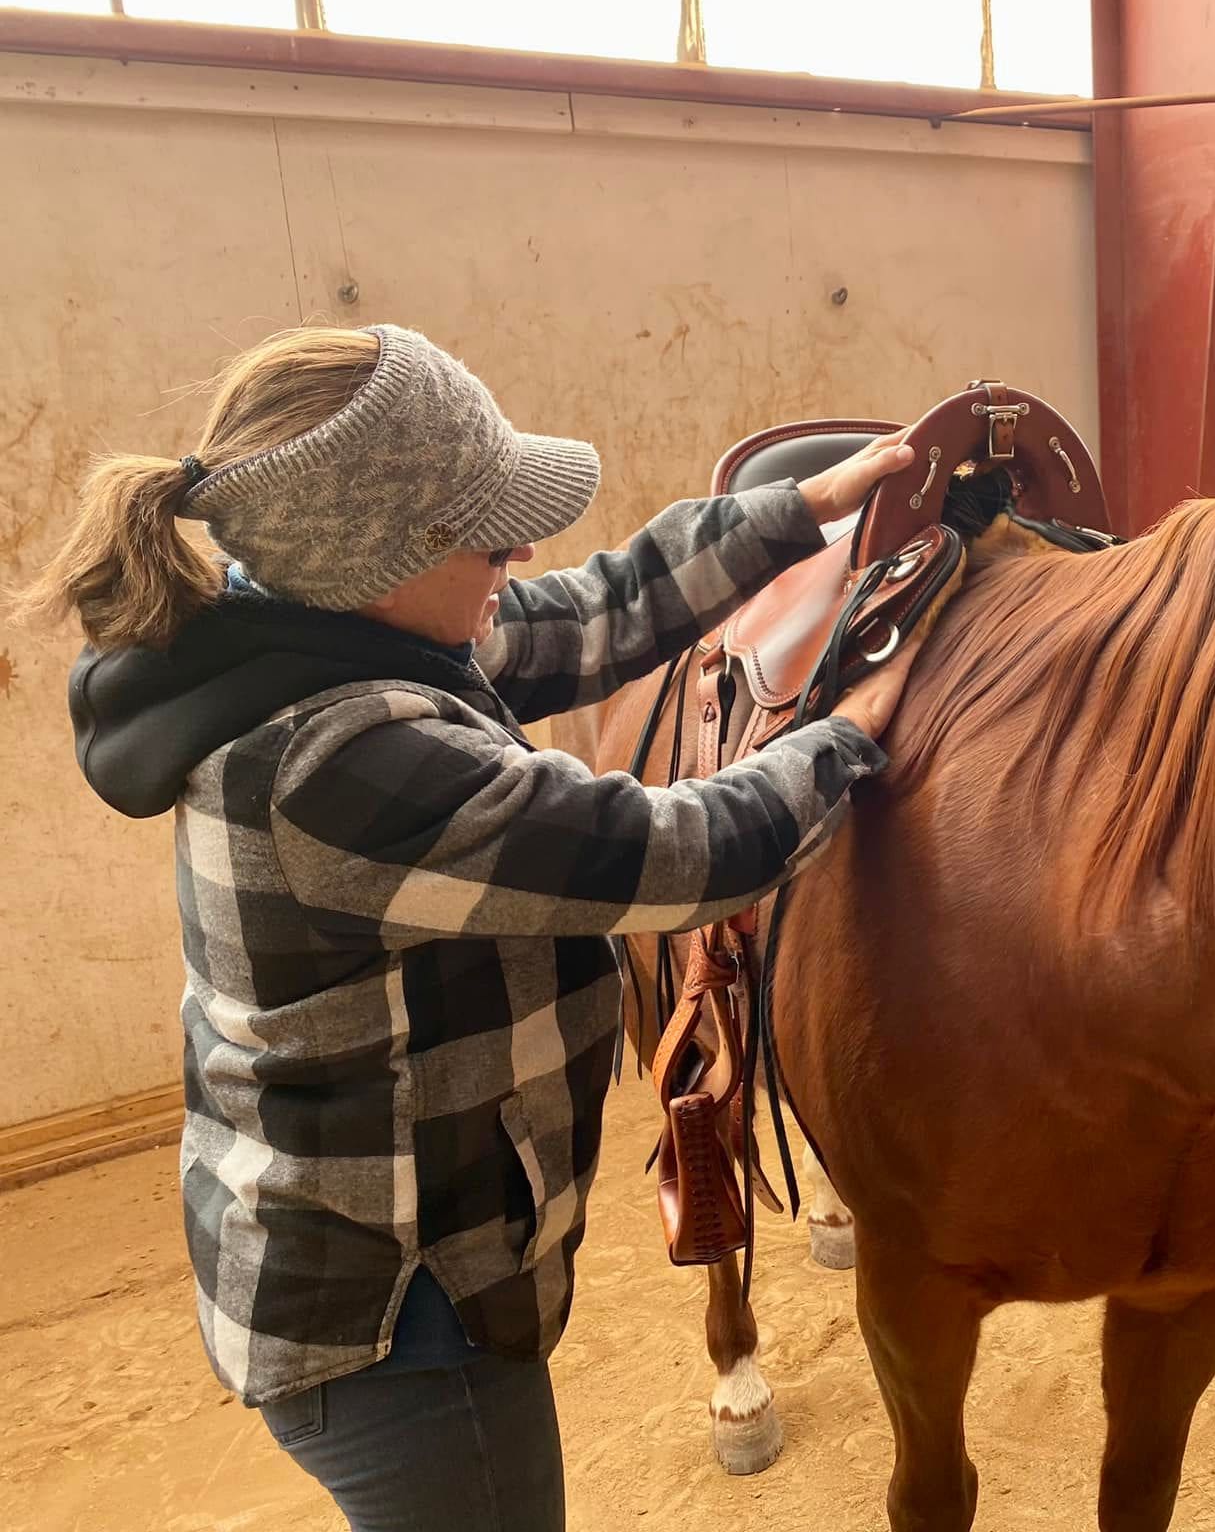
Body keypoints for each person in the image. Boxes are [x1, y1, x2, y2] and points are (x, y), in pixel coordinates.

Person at [18, 323, 924, 1530]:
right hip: (397, 1320)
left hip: (371, 1256)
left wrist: (796, 510)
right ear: (380, 556)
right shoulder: (336, 758)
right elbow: (677, 853)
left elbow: (588, 613)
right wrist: (853, 730)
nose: (523, 550)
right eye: (492, 534)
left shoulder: (305, 633)